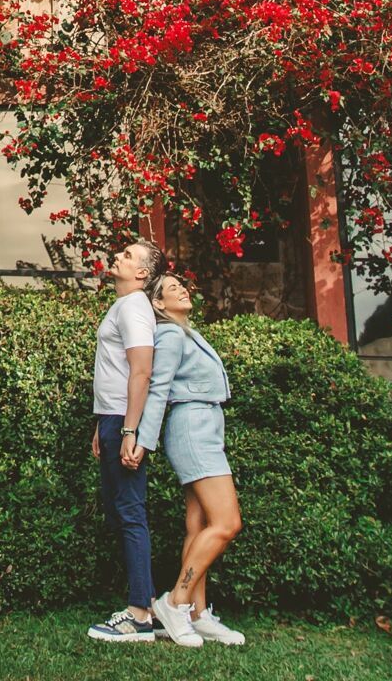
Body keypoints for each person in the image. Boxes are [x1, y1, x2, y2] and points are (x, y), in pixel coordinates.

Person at [129, 270, 246, 648]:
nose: (181, 288)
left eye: (182, 284)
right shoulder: (169, 334)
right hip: (193, 430)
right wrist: (142, 440)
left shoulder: (186, 332)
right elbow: (158, 388)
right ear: (158, 304)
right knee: (227, 523)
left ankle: (197, 613)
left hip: (204, 426)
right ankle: (175, 601)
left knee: (199, 525)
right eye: (170, 288)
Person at [85, 238, 162, 643]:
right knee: (121, 512)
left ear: (143, 274)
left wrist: (130, 430)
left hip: (124, 422)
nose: (118, 255)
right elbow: (117, 373)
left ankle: (139, 615)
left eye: (128, 256)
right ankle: (146, 603)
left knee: (130, 513)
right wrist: (105, 423)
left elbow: (141, 371)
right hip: (114, 418)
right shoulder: (124, 306)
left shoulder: (134, 307)